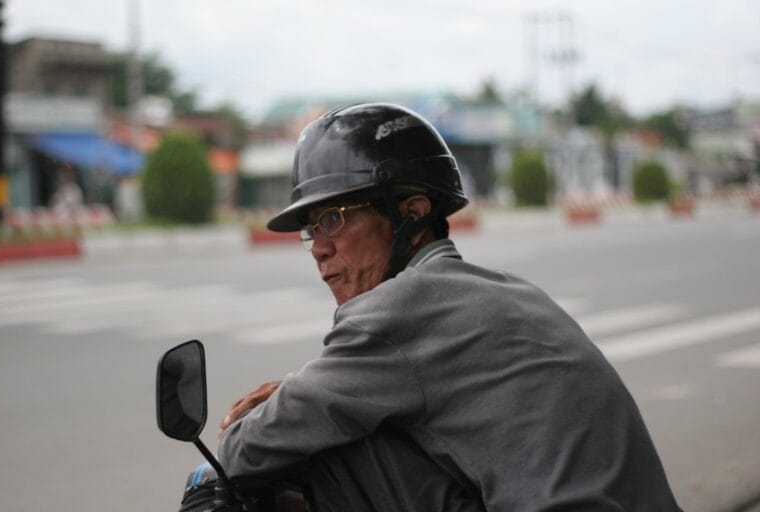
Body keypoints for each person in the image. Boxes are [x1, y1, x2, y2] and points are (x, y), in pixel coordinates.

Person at [216, 103, 682, 511]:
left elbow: (244, 449)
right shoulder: (504, 290)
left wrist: (274, 411)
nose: (319, 248)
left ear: (412, 213)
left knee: (327, 446)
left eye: (334, 219)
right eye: (311, 230)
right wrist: (303, 394)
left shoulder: (397, 313)